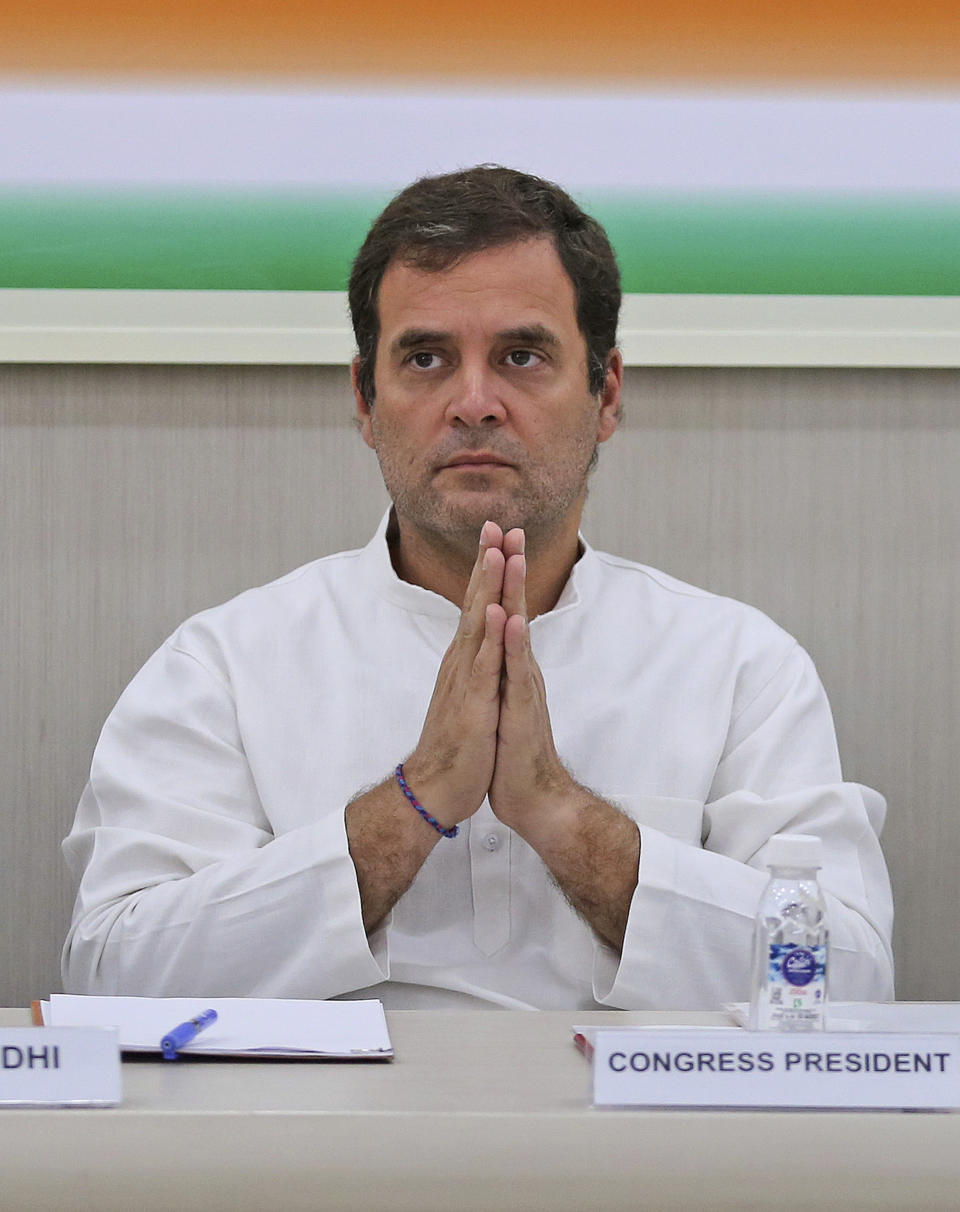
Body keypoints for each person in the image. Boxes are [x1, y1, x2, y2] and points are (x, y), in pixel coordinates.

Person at [62, 166, 894, 1010]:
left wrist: (566, 819)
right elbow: (114, 974)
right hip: (323, 1141)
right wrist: (414, 802)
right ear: (363, 397)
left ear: (606, 394)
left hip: (643, 1140)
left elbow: (851, 979)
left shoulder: (738, 663)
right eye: (425, 358)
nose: (473, 403)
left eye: (521, 356)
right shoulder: (226, 664)